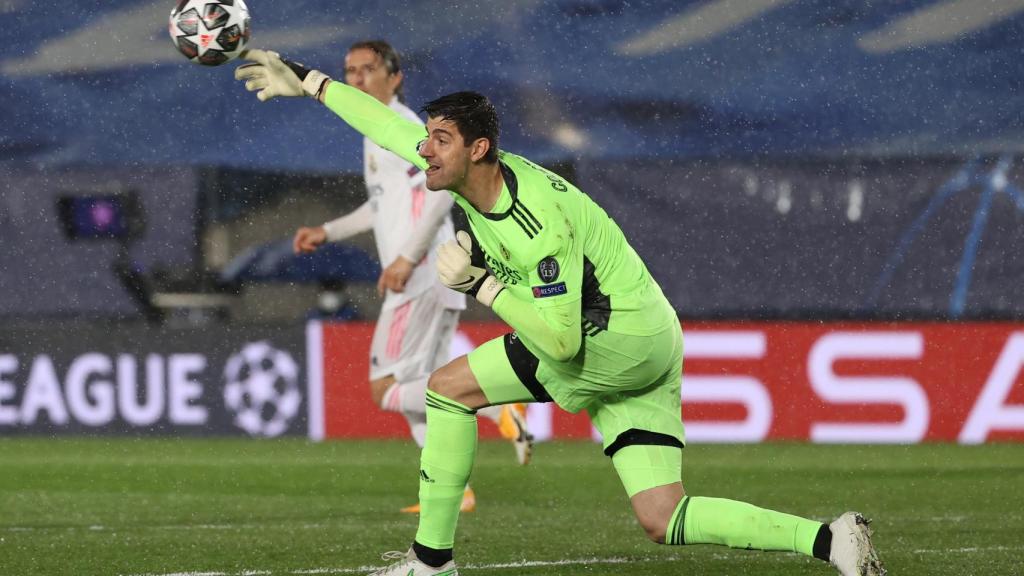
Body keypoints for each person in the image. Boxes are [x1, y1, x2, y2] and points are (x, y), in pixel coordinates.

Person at [235, 49, 887, 576]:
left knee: (448, 389)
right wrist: (308, 81)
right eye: (428, 139)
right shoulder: (473, 176)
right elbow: (385, 126)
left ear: (478, 149)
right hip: (652, 342)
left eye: (439, 141)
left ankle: (430, 564)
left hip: (611, 339)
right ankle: (833, 542)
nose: (424, 151)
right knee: (663, 516)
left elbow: (562, 339)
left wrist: (482, 284)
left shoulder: (534, 220)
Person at [288, 41, 534, 514]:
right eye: (349, 71)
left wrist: (405, 257)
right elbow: (382, 206)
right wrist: (328, 230)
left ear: (394, 76)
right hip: (432, 272)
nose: (355, 80)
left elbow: (444, 192)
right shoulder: (373, 131)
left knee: (386, 388)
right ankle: (453, 491)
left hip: (421, 272)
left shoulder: (405, 127)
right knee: (429, 387)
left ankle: (499, 402)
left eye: (367, 70)